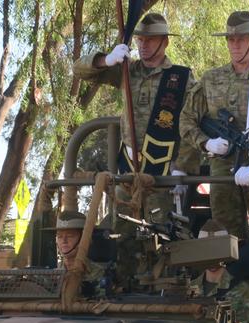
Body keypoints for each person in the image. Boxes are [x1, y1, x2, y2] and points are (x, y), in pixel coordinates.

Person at [74, 13, 198, 283]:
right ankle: (120, 288)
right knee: (119, 235)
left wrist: (182, 168)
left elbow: (193, 125)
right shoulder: (126, 70)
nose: (142, 45)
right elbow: (79, 70)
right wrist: (105, 59)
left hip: (161, 172)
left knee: (160, 236)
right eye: (140, 39)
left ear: (164, 42)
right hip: (127, 169)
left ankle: (159, 292)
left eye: (149, 40)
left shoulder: (182, 78)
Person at [178, 11, 249, 280]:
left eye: (241, 39)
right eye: (230, 39)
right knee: (226, 238)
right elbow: (186, 120)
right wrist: (206, 143)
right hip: (223, 166)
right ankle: (231, 298)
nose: (235, 45)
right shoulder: (211, 79)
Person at [53, 210, 109, 297]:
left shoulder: (98, 272)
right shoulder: (52, 275)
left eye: (70, 236)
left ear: (84, 239)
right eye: (60, 236)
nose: (64, 241)